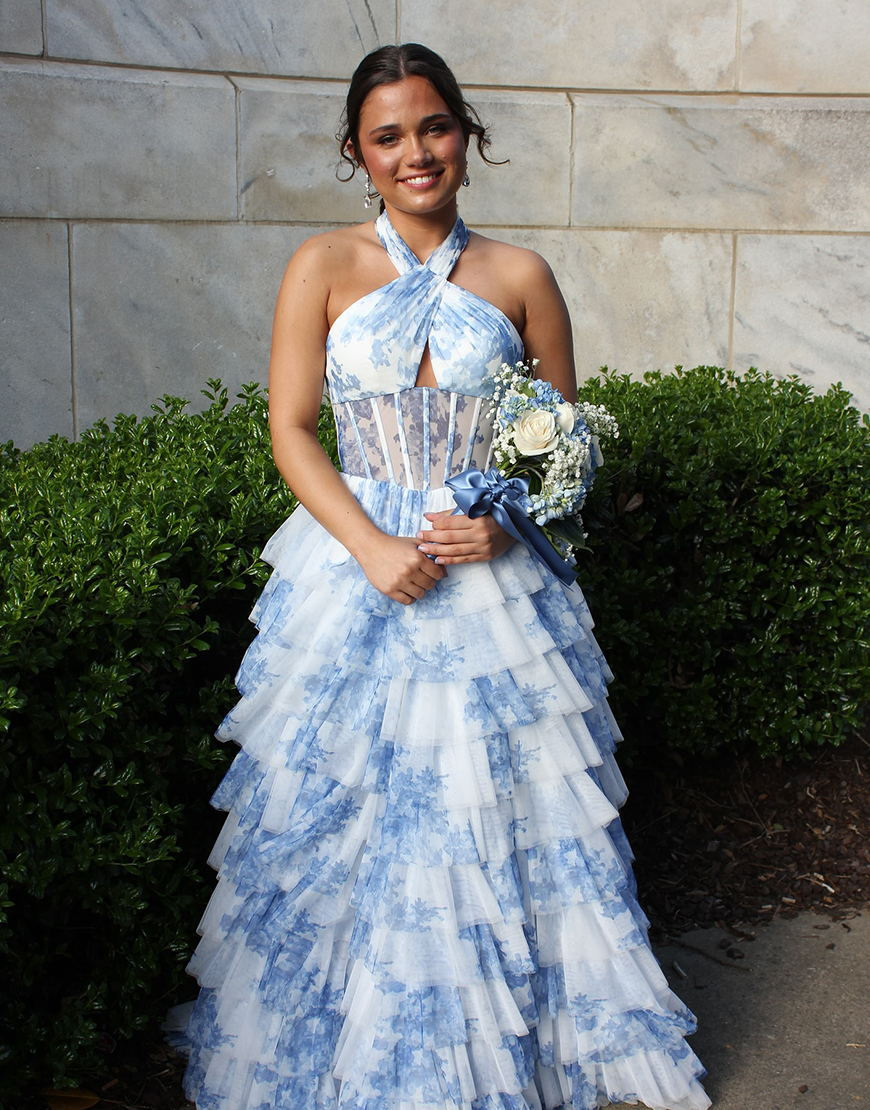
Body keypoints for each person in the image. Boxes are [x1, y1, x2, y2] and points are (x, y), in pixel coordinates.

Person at [179, 42, 711, 1110]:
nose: (415, 152)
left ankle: (507, 1039)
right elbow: (289, 432)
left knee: (498, 807)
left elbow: (568, 439)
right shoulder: (320, 268)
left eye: (434, 127)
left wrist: (507, 530)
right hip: (349, 568)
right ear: (357, 155)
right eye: (389, 136)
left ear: (466, 135)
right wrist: (369, 546)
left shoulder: (520, 276)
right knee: (338, 805)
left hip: (492, 587)